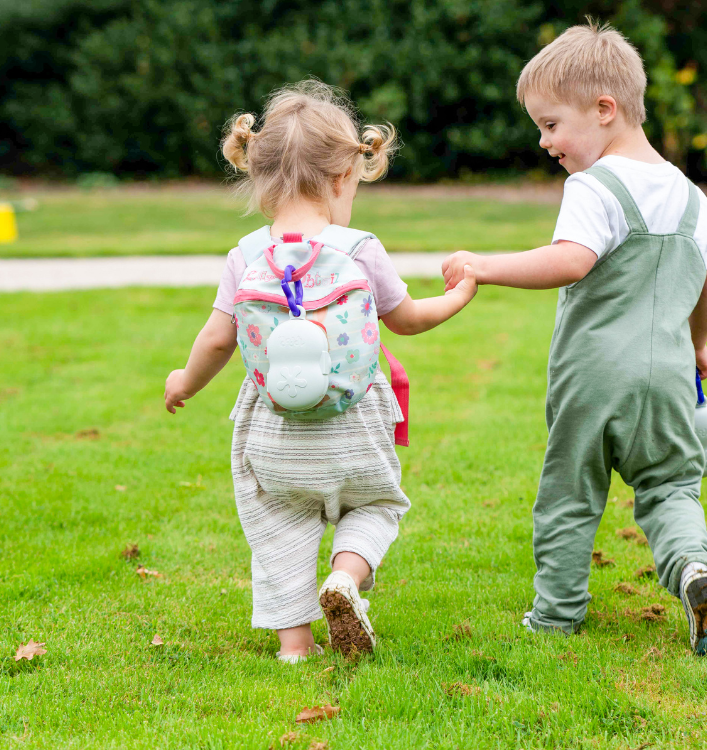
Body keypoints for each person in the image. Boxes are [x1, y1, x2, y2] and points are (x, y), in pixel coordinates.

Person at [442, 23, 707, 654]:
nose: (545, 142)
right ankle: (694, 569)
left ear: (605, 111)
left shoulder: (593, 186)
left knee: (571, 493)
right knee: (669, 486)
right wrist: (697, 343)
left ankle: (555, 614)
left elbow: (571, 260)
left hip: (592, 377)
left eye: (551, 125)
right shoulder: (691, 197)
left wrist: (483, 266)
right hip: (666, 377)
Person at [165, 80, 477, 661]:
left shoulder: (245, 255)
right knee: (375, 506)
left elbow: (216, 339)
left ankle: (294, 646)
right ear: (341, 179)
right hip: (355, 423)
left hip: (274, 432)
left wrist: (183, 381)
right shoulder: (359, 247)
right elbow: (406, 319)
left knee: (279, 526)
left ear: (259, 175)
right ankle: (344, 580)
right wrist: (458, 297)